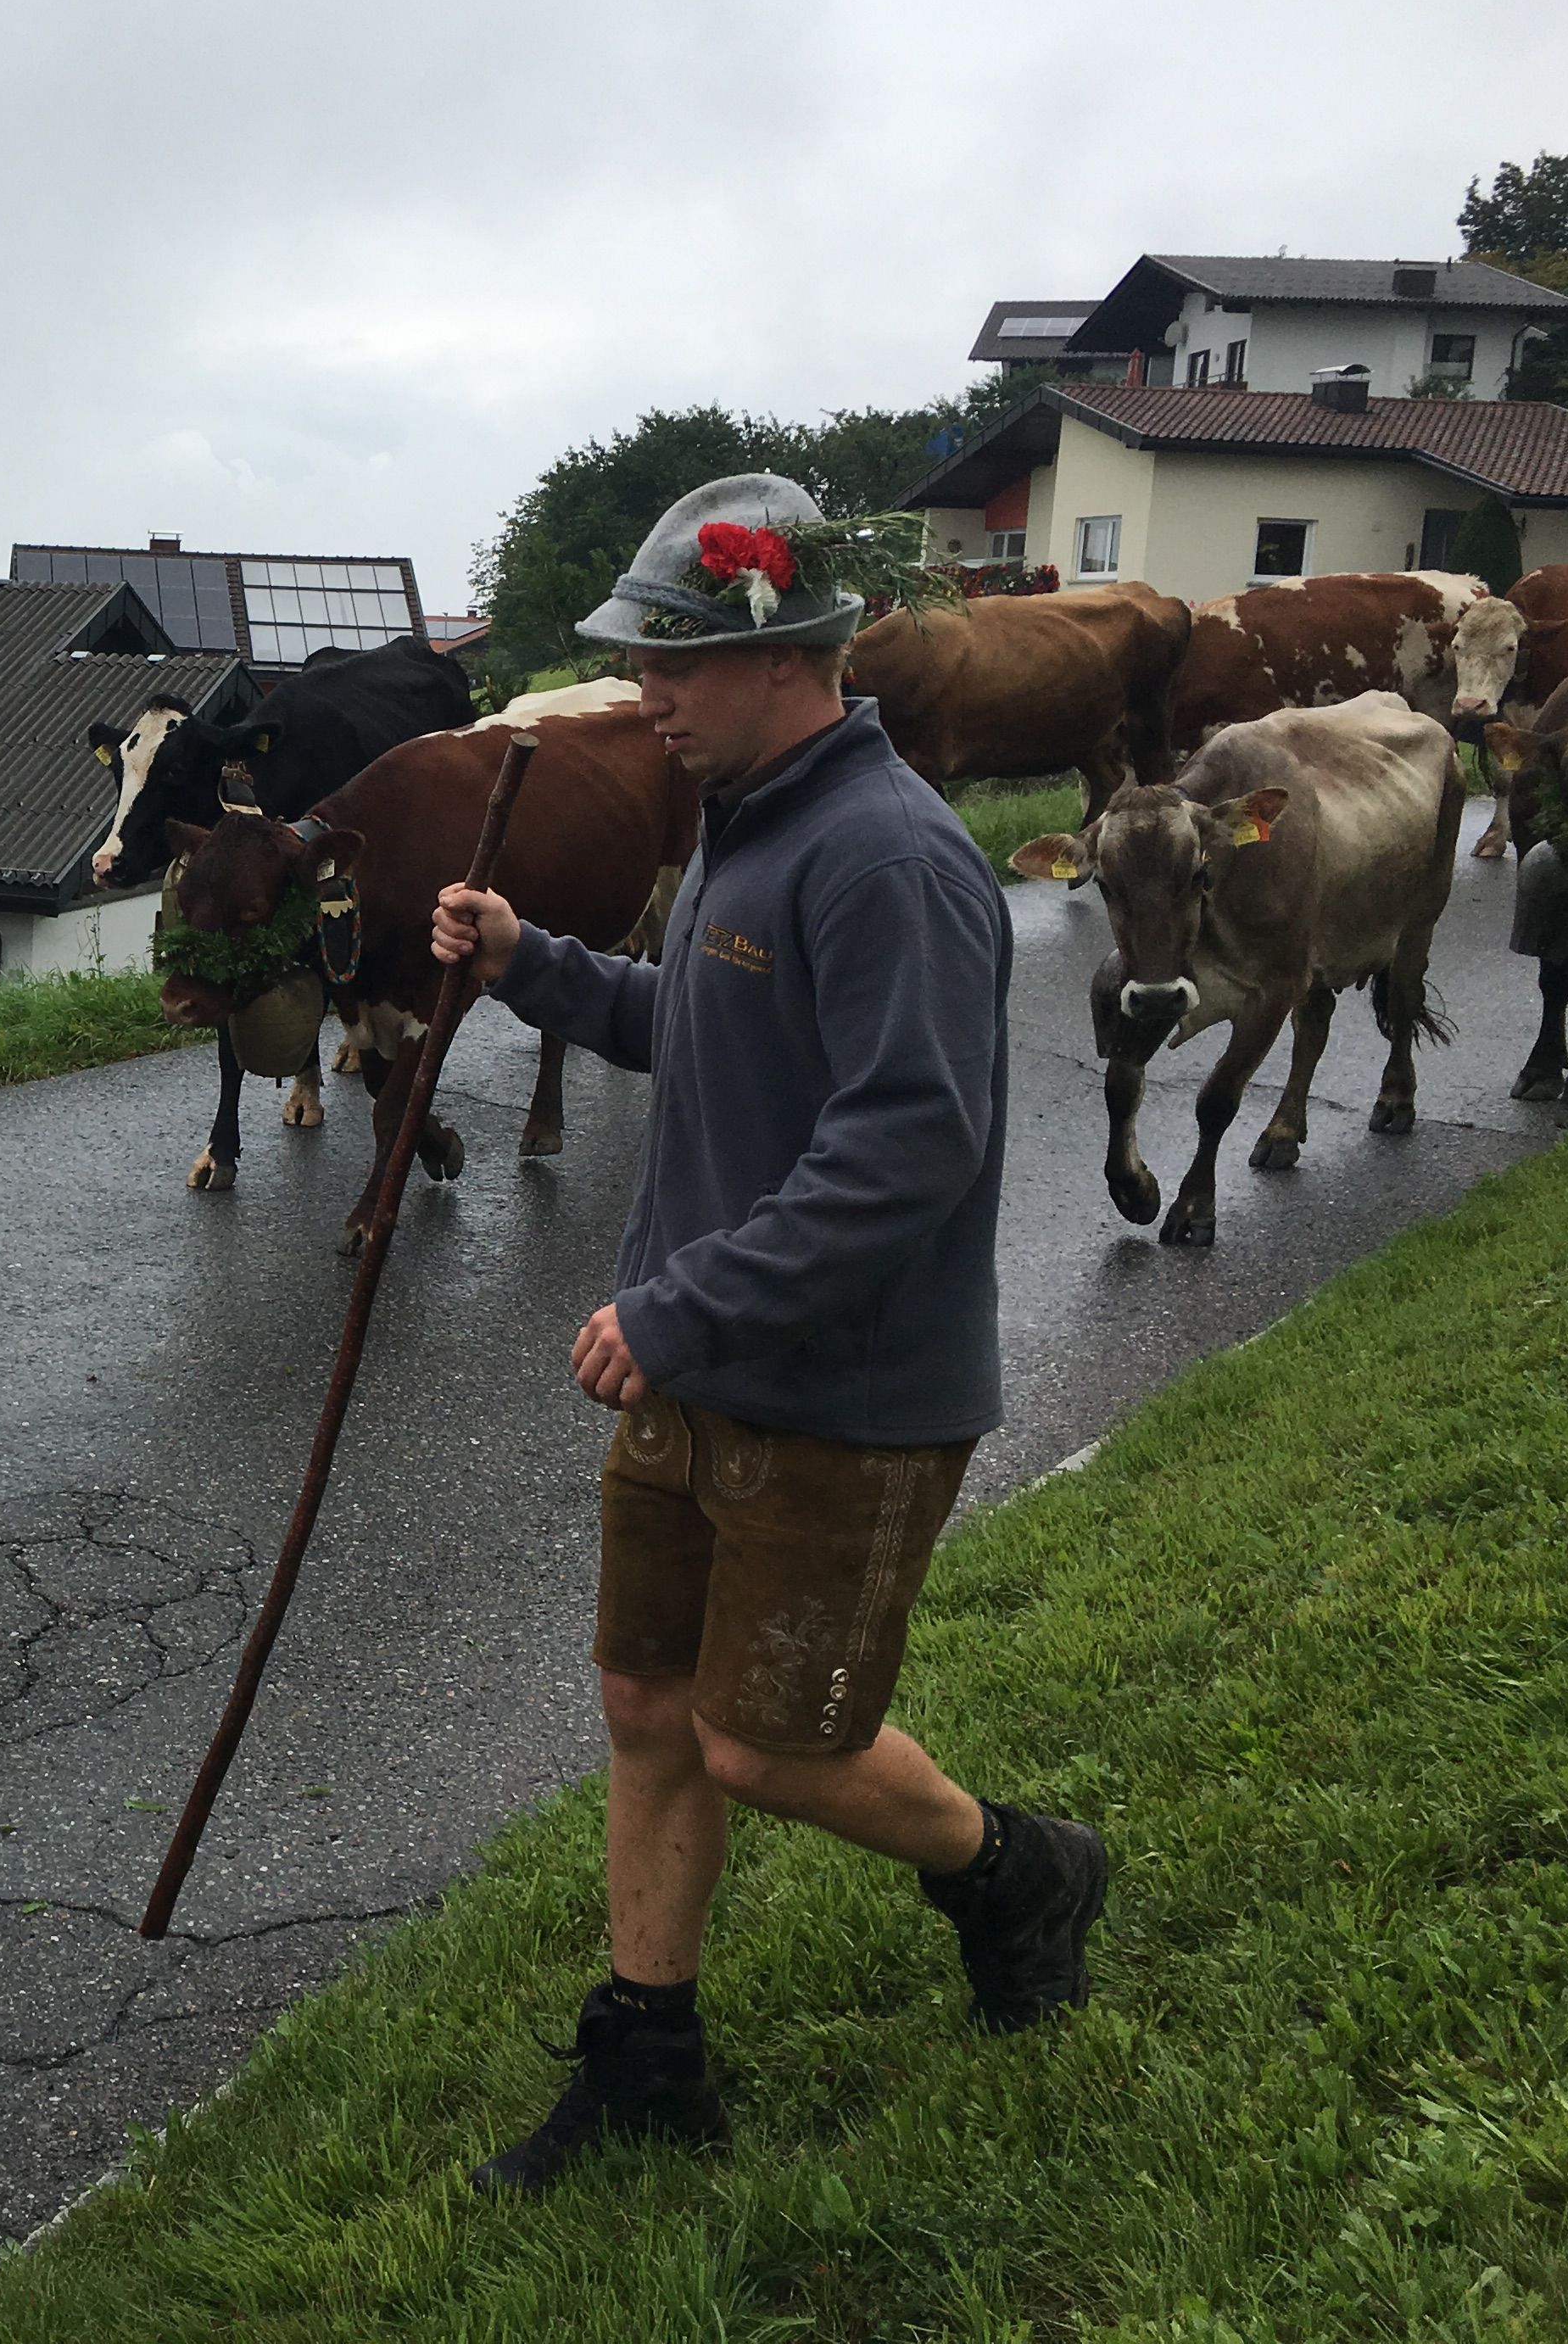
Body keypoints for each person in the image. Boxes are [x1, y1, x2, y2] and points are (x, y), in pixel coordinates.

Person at [427, 476, 1107, 2194]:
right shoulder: (748, 815)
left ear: (785, 654)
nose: (643, 691)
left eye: (671, 660)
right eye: (638, 658)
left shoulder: (892, 856)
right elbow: (711, 1025)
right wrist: (532, 964)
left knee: (766, 1743)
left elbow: (907, 1144)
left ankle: (1017, 1869)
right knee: (646, 1701)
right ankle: (650, 2061)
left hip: (843, 1388)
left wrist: (680, 1303)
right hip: (702, 1362)